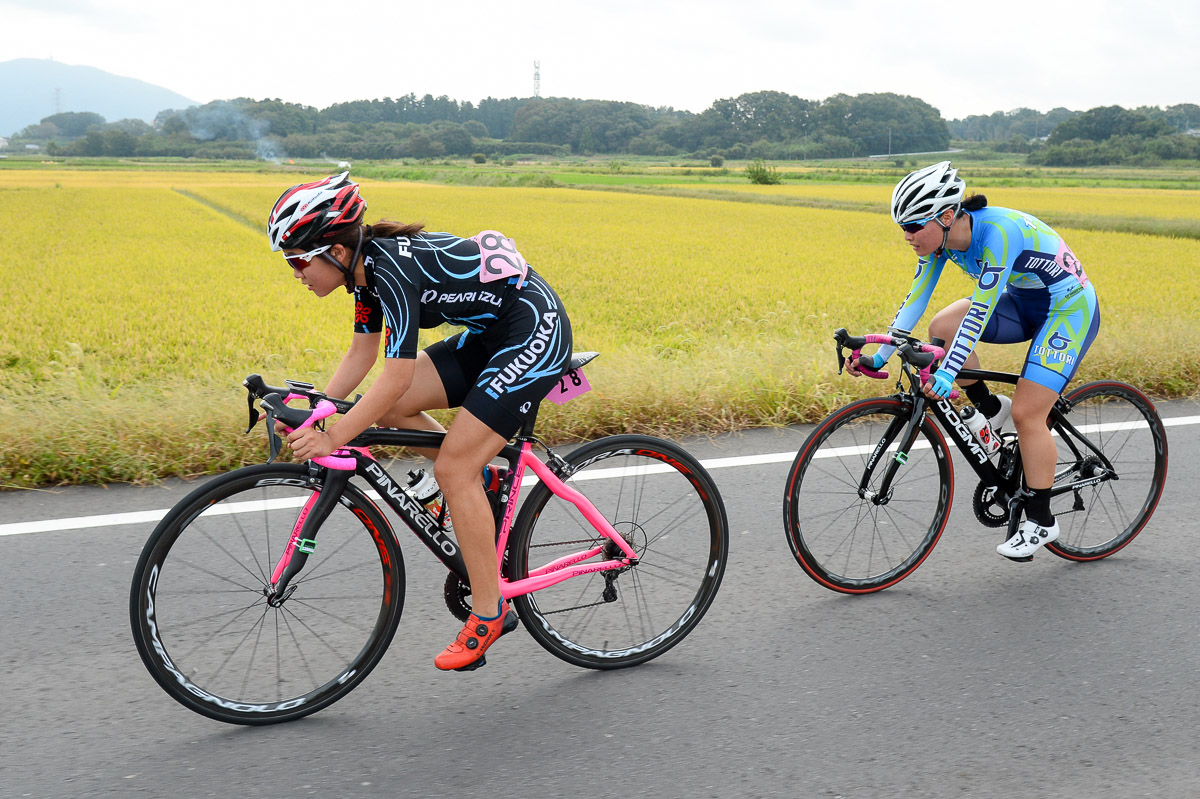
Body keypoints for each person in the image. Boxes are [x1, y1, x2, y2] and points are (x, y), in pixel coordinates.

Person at [266, 172, 573, 670]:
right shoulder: (362, 275)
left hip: (532, 330)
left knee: (453, 470)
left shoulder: (389, 273)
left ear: (335, 252)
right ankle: (484, 480)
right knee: (394, 419)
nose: (296, 273)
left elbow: (397, 377)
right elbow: (363, 353)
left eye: (299, 261)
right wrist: (319, 411)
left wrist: (334, 437)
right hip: (490, 334)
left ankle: (490, 611)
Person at [849, 161, 1100, 560]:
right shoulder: (940, 242)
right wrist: (878, 356)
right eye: (902, 227)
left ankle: (1041, 519)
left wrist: (948, 372)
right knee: (942, 324)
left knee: (1029, 414)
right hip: (1021, 302)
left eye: (915, 226)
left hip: (1068, 309)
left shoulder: (997, 234)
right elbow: (914, 302)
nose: (908, 236)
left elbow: (980, 312)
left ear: (947, 215)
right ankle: (988, 407)